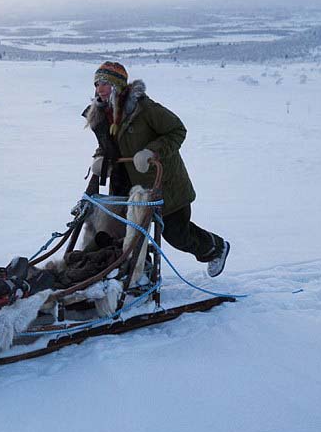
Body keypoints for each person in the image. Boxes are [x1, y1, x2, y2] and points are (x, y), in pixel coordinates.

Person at [82, 61, 231, 277]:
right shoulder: (102, 115)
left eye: (105, 83)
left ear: (118, 85)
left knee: (177, 234)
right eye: (96, 84)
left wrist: (152, 152)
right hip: (126, 187)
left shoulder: (144, 109)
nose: (99, 89)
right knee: (120, 236)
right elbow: (108, 147)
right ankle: (137, 273)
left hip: (163, 183)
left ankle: (215, 248)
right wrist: (100, 159)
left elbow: (177, 130)